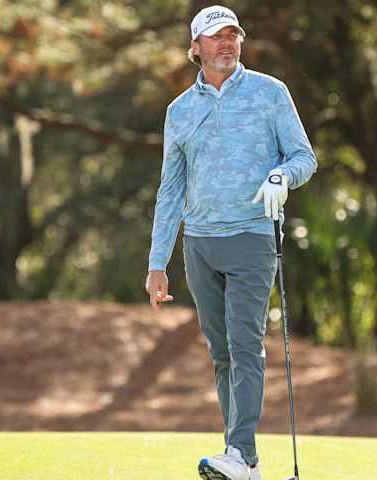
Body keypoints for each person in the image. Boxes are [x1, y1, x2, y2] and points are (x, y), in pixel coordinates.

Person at [144, 5, 316, 480]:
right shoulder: (179, 111)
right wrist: (158, 263)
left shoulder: (269, 93)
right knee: (221, 354)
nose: (226, 43)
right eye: (215, 37)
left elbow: (304, 156)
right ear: (195, 48)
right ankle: (247, 461)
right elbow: (170, 189)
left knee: (244, 345)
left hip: (252, 238)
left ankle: (237, 453)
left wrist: (282, 175)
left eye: (232, 35)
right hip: (199, 244)